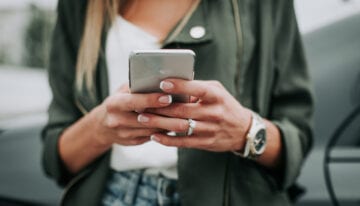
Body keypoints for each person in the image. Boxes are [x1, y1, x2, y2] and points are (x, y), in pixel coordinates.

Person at [42, 0, 314, 205]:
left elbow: (296, 144)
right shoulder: (80, 6)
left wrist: (246, 131)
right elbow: (56, 160)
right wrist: (101, 127)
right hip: (117, 195)